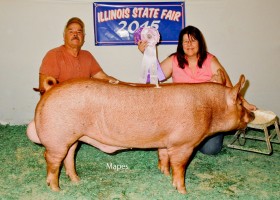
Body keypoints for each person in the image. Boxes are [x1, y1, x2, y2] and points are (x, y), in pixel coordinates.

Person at [138, 25, 257, 155]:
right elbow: (154, 77)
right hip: (182, 114)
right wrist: (147, 54)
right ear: (181, 44)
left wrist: (245, 104)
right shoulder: (174, 60)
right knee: (180, 142)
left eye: (193, 40)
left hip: (208, 115)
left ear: (200, 42)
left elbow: (229, 87)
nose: (189, 44)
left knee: (211, 150)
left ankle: (190, 139)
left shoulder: (210, 60)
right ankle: (188, 139)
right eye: (185, 41)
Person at [27, 17, 117, 143]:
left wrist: (123, 84)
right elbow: (45, 92)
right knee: (33, 131)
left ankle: (80, 135)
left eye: (79, 32)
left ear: (84, 38)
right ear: (64, 36)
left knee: (110, 141)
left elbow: (104, 78)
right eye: (71, 31)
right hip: (61, 110)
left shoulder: (87, 56)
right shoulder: (53, 55)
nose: (75, 34)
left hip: (85, 111)